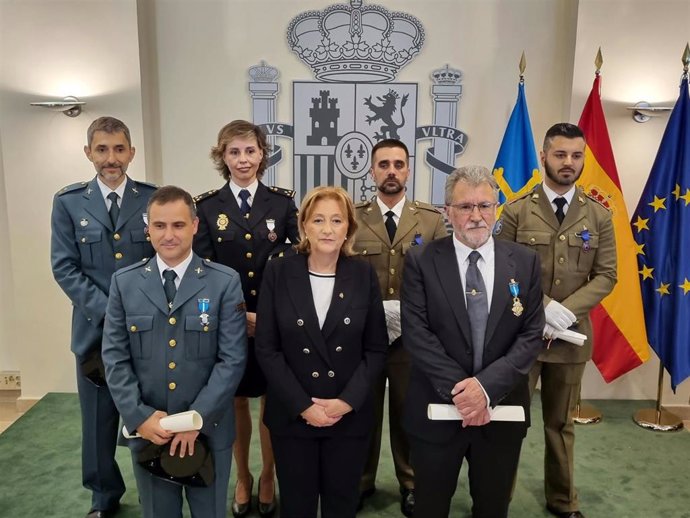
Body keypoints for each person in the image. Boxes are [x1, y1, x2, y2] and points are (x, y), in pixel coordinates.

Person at [401, 166, 544, 518]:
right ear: (447, 211)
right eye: (465, 207)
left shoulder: (525, 262)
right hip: (437, 409)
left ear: (496, 209)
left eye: (485, 206)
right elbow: (417, 334)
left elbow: (530, 335)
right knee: (431, 506)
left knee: (493, 506)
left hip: (502, 410)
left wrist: (485, 389)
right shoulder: (421, 260)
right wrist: (466, 393)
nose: (476, 216)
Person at [102, 186, 248, 518]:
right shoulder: (124, 283)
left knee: (209, 512)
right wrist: (139, 416)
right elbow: (114, 358)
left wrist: (194, 419)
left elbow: (232, 359)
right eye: (160, 225)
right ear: (147, 228)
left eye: (178, 225)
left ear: (195, 226)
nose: (169, 235)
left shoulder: (224, 282)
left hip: (207, 429)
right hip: (151, 429)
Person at [496, 123, 616, 518]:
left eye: (576, 155)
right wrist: (543, 307)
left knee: (561, 425)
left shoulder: (597, 215)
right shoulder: (516, 210)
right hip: (522, 338)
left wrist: (567, 311)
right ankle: (499, 498)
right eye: (561, 154)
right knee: (511, 423)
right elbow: (504, 267)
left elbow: (607, 274)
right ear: (544, 156)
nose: (569, 163)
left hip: (571, 340)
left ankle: (563, 501)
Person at [254, 186, 387, 518]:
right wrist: (303, 406)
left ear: (348, 229)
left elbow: (375, 348)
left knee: (341, 506)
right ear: (304, 226)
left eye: (337, 220)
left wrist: (345, 402)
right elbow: (267, 348)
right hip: (293, 415)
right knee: (296, 507)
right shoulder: (279, 270)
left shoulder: (363, 274)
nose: (328, 229)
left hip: (347, 417)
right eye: (318, 220)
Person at [51, 116, 157, 518]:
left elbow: (162, 259)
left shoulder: (152, 198)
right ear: (88, 153)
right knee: (98, 422)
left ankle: (154, 488)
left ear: (131, 152)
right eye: (101, 149)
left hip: (145, 331)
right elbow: (64, 268)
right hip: (93, 334)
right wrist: (110, 313)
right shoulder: (68, 202)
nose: (110, 158)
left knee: (145, 414)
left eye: (118, 149)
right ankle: (103, 496)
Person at [193, 120, 299, 517]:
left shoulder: (282, 202)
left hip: (274, 322)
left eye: (250, 151)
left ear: (262, 154)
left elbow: (294, 263)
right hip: (229, 322)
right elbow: (203, 271)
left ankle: (269, 475)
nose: (243, 159)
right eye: (234, 152)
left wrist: (267, 315)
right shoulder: (206, 207)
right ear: (222, 156)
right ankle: (243, 476)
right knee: (235, 401)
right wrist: (240, 314)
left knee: (272, 403)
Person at [353, 138, 447, 516]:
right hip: (363, 336)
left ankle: (410, 482)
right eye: (383, 164)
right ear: (372, 170)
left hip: (413, 338)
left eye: (398, 164)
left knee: (411, 413)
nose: (391, 171)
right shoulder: (353, 216)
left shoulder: (431, 219)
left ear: (408, 170)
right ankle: (360, 480)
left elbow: (443, 277)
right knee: (363, 411)